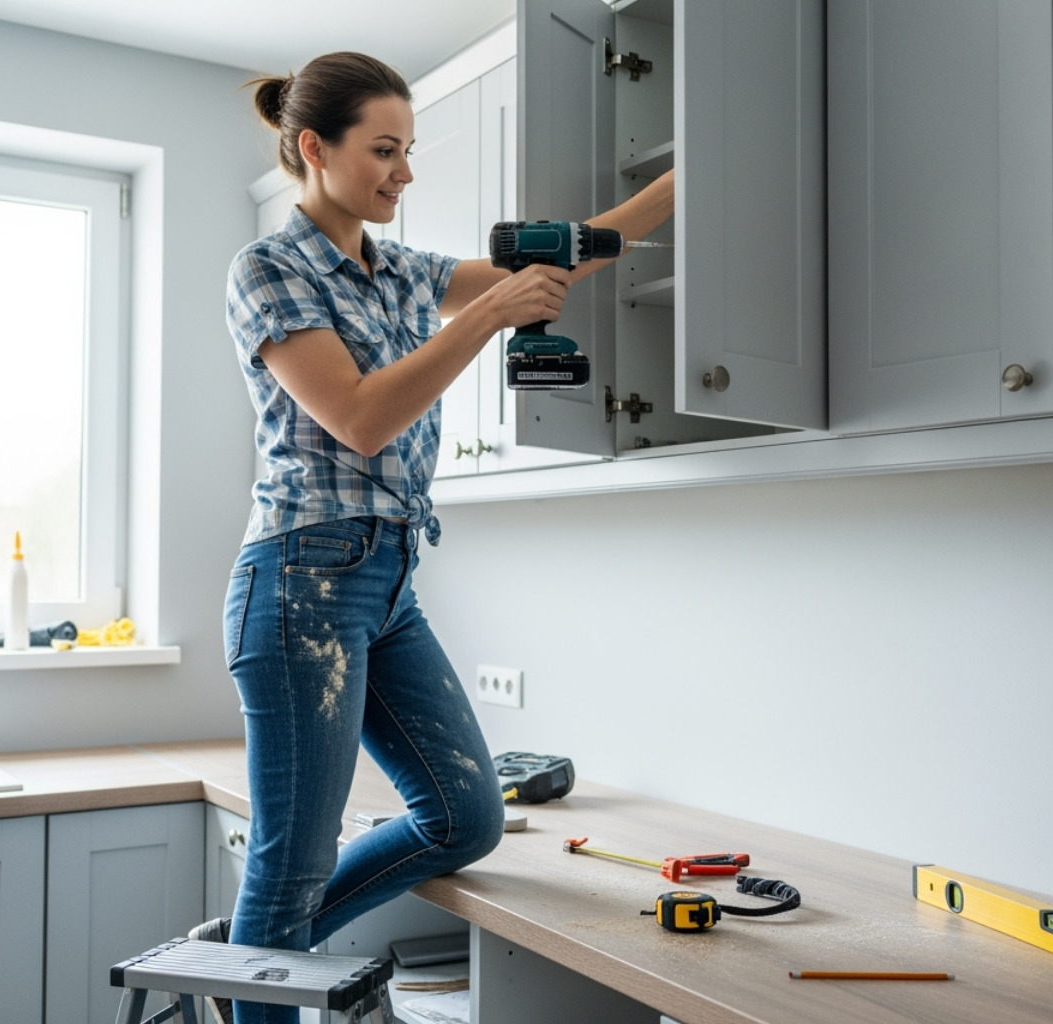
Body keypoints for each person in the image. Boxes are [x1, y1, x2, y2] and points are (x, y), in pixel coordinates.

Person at [197, 51, 674, 1024]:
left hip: (388, 577)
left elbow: (578, 249)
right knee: (292, 865)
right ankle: (262, 948)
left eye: (408, 151)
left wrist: (692, 176)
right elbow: (361, 418)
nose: (403, 174)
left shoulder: (403, 273)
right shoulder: (269, 269)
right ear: (312, 148)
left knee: (464, 815)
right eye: (383, 151)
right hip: (300, 580)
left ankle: (253, 950)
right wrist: (491, 312)